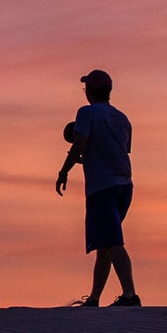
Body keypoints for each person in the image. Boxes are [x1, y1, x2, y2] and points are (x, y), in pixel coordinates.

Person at [55, 69, 139, 307]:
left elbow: (79, 143)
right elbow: (115, 151)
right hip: (124, 186)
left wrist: (64, 170)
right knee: (104, 244)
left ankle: (130, 295)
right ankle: (94, 298)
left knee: (112, 242)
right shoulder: (122, 118)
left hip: (102, 188)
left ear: (90, 91)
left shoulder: (87, 113)